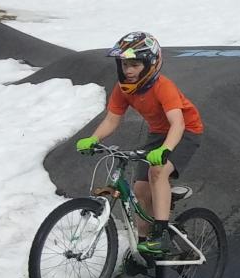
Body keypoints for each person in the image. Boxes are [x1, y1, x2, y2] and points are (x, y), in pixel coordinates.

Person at [73, 32, 204, 260]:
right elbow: (112, 119)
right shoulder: (123, 89)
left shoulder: (164, 87)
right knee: (140, 191)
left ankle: (161, 235)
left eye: (134, 64)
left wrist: (165, 150)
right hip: (158, 134)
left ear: (150, 65)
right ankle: (143, 248)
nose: (128, 70)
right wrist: (94, 139)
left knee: (157, 172)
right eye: (125, 64)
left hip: (185, 131)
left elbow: (178, 123)